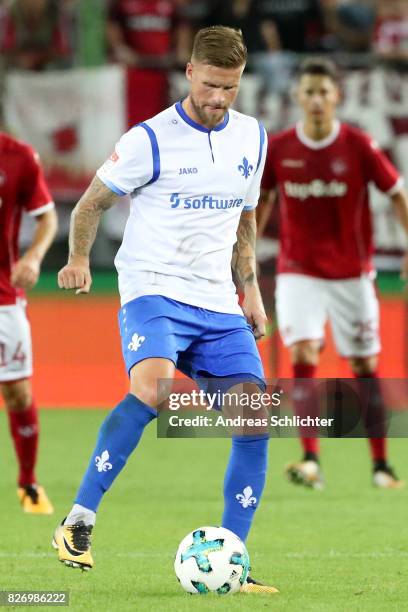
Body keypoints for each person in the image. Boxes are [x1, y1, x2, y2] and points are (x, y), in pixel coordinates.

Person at [53, 26, 277, 594]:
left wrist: (248, 289)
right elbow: (90, 204)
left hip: (215, 298)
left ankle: (236, 561)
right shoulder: (148, 140)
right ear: (188, 74)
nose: (218, 98)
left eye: (228, 87)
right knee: (153, 389)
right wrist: (79, 258)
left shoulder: (253, 137)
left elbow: (244, 217)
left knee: (256, 419)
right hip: (153, 286)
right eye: (208, 85)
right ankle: (78, 521)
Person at [259, 57, 408, 490]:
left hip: (351, 274)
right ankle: (310, 459)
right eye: (309, 92)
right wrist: (243, 251)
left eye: (325, 91)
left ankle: (381, 465)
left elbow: (397, 194)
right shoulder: (282, 147)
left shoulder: (359, 145)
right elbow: (261, 201)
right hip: (298, 270)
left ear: (336, 96)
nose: (317, 100)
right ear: (298, 98)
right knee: (303, 355)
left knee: (365, 363)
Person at [0, 131, 57, 512]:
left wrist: (34, 257)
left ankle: (28, 483)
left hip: (3, 296)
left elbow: (47, 218)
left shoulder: (18, 156)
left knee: (18, 391)